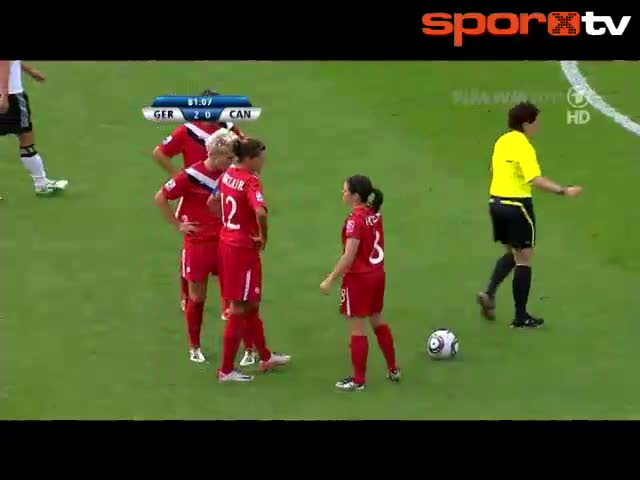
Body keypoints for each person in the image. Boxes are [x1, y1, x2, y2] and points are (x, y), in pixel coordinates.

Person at [477, 102, 583, 328]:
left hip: (496, 203)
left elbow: (493, 170)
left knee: (513, 252)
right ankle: (521, 317)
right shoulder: (524, 146)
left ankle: (489, 293)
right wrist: (563, 191)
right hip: (517, 205)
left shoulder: (502, 141)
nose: (539, 125)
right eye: (537, 121)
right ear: (526, 123)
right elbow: (534, 179)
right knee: (524, 259)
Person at [152, 88, 246, 318]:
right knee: (192, 248)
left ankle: (227, 303)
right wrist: (179, 176)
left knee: (226, 246)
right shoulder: (187, 130)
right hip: (194, 194)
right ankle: (187, 294)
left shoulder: (228, 128)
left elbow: (244, 149)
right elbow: (159, 152)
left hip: (222, 193)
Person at [154, 129, 246, 363]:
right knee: (197, 298)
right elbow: (161, 197)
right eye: (229, 158)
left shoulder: (231, 174)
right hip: (199, 245)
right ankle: (194, 346)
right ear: (214, 154)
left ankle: (248, 347)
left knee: (238, 297)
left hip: (226, 242)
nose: (232, 162)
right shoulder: (191, 175)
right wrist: (178, 225)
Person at [216, 138, 291, 383]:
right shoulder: (251, 181)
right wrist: (263, 236)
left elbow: (213, 201)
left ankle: (266, 357)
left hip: (227, 243)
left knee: (251, 305)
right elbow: (260, 211)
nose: (263, 162)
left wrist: (229, 225)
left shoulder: (228, 174)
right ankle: (226, 370)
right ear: (250, 159)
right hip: (242, 250)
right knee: (239, 307)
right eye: (261, 158)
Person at [320, 175, 399, 392]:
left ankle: (358, 380)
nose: (343, 193)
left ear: (356, 196)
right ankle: (393, 368)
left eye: (345, 190)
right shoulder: (375, 214)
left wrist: (329, 280)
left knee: (357, 329)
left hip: (359, 280)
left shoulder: (355, 221)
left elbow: (349, 256)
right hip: (377, 275)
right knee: (377, 321)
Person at [0, 60, 68, 196]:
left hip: (8, 95)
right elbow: (3, 63)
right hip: (12, 96)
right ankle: (41, 183)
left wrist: (29, 70)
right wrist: (4, 95)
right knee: (26, 140)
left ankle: (41, 183)